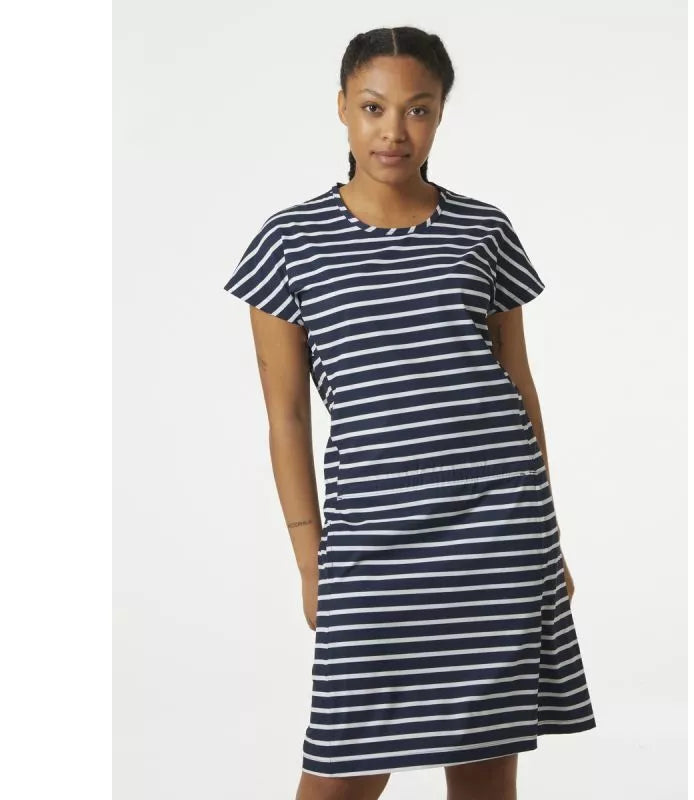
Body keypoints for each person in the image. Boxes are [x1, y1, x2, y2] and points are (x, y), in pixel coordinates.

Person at [223, 25, 596, 800]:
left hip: (497, 530)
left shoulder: (484, 230)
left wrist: (549, 538)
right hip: (374, 542)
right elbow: (286, 417)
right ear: (341, 107)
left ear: (440, 114)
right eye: (373, 107)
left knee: (486, 769)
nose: (394, 130)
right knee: (343, 772)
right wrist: (310, 560)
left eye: (418, 109)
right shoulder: (290, 242)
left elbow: (519, 388)